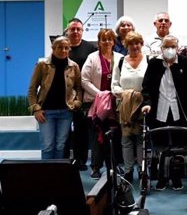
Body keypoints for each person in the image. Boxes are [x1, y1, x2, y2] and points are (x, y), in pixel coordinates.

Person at [141, 35, 187, 191]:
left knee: (177, 145)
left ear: (177, 47)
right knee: (161, 145)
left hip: (178, 111)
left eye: (173, 47)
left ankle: (176, 177)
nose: (170, 50)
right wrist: (147, 104)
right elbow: (146, 87)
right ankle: (161, 177)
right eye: (167, 47)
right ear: (161, 48)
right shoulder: (154, 63)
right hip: (159, 109)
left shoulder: (184, 63)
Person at [28, 37, 83, 159]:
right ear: (53, 48)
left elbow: (79, 87)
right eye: (59, 47)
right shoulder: (42, 65)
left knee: (60, 145)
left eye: (66, 48)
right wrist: (36, 109)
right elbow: (32, 89)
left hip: (66, 112)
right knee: (47, 145)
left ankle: (58, 174)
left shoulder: (74, 66)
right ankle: (47, 175)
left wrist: (77, 102)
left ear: (69, 49)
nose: (63, 50)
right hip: (46, 112)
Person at [81, 29, 124, 179]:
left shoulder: (120, 58)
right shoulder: (92, 58)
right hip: (96, 103)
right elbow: (84, 80)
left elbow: (123, 79)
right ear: (99, 42)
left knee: (114, 136)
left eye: (109, 39)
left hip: (115, 103)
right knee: (97, 136)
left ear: (114, 41)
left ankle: (113, 166)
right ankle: (95, 167)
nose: (106, 42)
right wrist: (99, 94)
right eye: (103, 39)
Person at [111, 31, 148, 184]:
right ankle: (128, 171)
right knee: (126, 140)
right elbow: (114, 85)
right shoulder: (120, 62)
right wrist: (129, 95)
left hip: (143, 106)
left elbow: (151, 83)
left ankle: (141, 170)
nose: (135, 46)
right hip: (125, 107)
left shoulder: (148, 60)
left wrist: (141, 97)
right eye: (131, 43)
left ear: (141, 44)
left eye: (137, 43)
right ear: (126, 45)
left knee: (141, 139)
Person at [65, 18, 96, 169]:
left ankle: (81, 160)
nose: (75, 32)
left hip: (82, 95)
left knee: (81, 129)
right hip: (64, 95)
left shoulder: (90, 48)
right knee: (64, 130)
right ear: (67, 31)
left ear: (82, 31)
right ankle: (63, 160)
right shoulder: (62, 46)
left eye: (78, 29)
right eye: (73, 29)